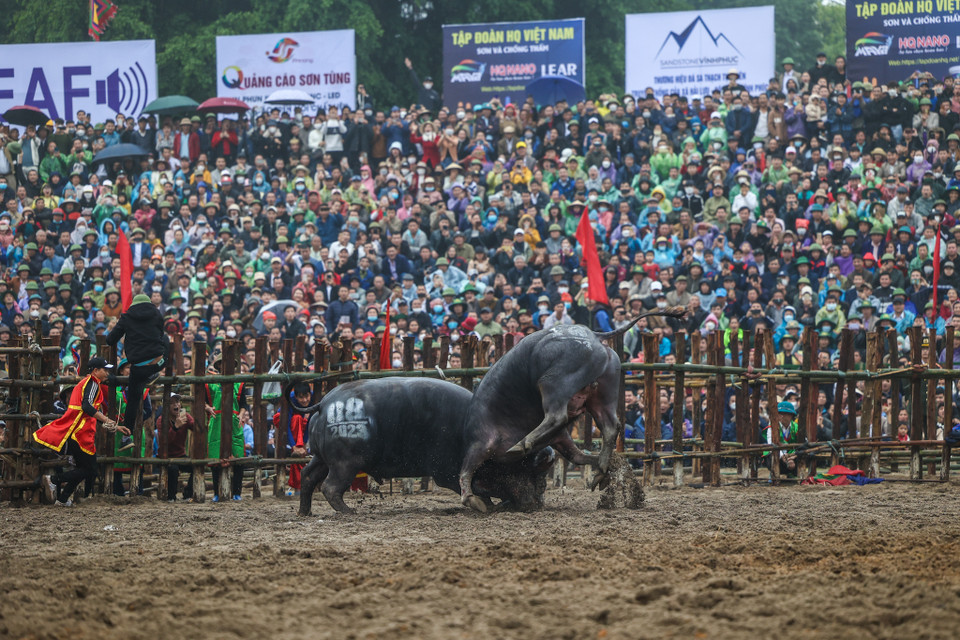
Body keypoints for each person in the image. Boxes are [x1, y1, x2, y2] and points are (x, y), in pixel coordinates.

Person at [34, 357, 130, 506]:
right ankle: (52, 480)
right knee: (90, 470)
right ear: (96, 371)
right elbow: (87, 407)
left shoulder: (87, 383)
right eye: (105, 370)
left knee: (83, 469)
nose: (107, 373)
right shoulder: (92, 383)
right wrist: (107, 421)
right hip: (80, 432)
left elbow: (89, 410)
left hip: (78, 430)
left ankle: (63, 499)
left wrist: (115, 426)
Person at [105, 293, 168, 436]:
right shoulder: (157, 315)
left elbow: (110, 340)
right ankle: (153, 373)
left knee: (133, 400)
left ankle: (127, 435)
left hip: (138, 368)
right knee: (166, 345)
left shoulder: (126, 318)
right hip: (158, 363)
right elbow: (160, 335)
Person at [204, 354, 246, 501]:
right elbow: (202, 401)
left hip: (234, 421)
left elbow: (243, 405)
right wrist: (208, 408)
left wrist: (241, 415)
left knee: (238, 456)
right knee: (216, 457)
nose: (225, 366)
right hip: (216, 420)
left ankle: (237, 492)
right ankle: (216, 492)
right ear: (219, 365)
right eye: (223, 363)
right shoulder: (211, 382)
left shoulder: (239, 382)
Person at [111, 358, 153, 496]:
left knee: (136, 460)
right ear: (121, 371)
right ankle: (117, 493)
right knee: (115, 461)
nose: (130, 370)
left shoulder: (143, 388)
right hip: (116, 430)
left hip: (135, 430)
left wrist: (136, 421)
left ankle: (137, 492)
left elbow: (148, 410)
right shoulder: (113, 388)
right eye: (127, 367)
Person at [272, 382, 311, 496]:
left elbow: (309, 424)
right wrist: (295, 446)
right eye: (301, 397)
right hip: (287, 425)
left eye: (306, 396)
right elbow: (286, 425)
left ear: (310, 394)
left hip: (303, 429)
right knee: (297, 418)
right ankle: (299, 488)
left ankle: (300, 488)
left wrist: (303, 442)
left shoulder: (313, 398)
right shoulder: (289, 401)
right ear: (296, 396)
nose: (304, 400)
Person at [162, 392, 196, 501]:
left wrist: (202, 415)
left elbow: (196, 427)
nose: (176, 405)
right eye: (171, 403)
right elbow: (165, 442)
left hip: (180, 455)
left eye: (177, 402)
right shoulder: (161, 420)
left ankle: (188, 494)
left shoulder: (184, 416)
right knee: (173, 468)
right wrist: (175, 427)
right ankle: (171, 497)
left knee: (196, 467)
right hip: (165, 456)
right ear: (166, 407)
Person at [764, 401, 802, 477]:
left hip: (793, 455)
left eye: (785, 413)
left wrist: (794, 455)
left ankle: (795, 475)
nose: (781, 416)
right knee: (772, 455)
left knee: (803, 456)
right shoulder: (772, 426)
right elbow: (771, 443)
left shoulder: (797, 427)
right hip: (778, 455)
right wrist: (783, 457)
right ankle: (774, 474)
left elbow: (804, 444)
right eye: (780, 413)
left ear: (791, 415)